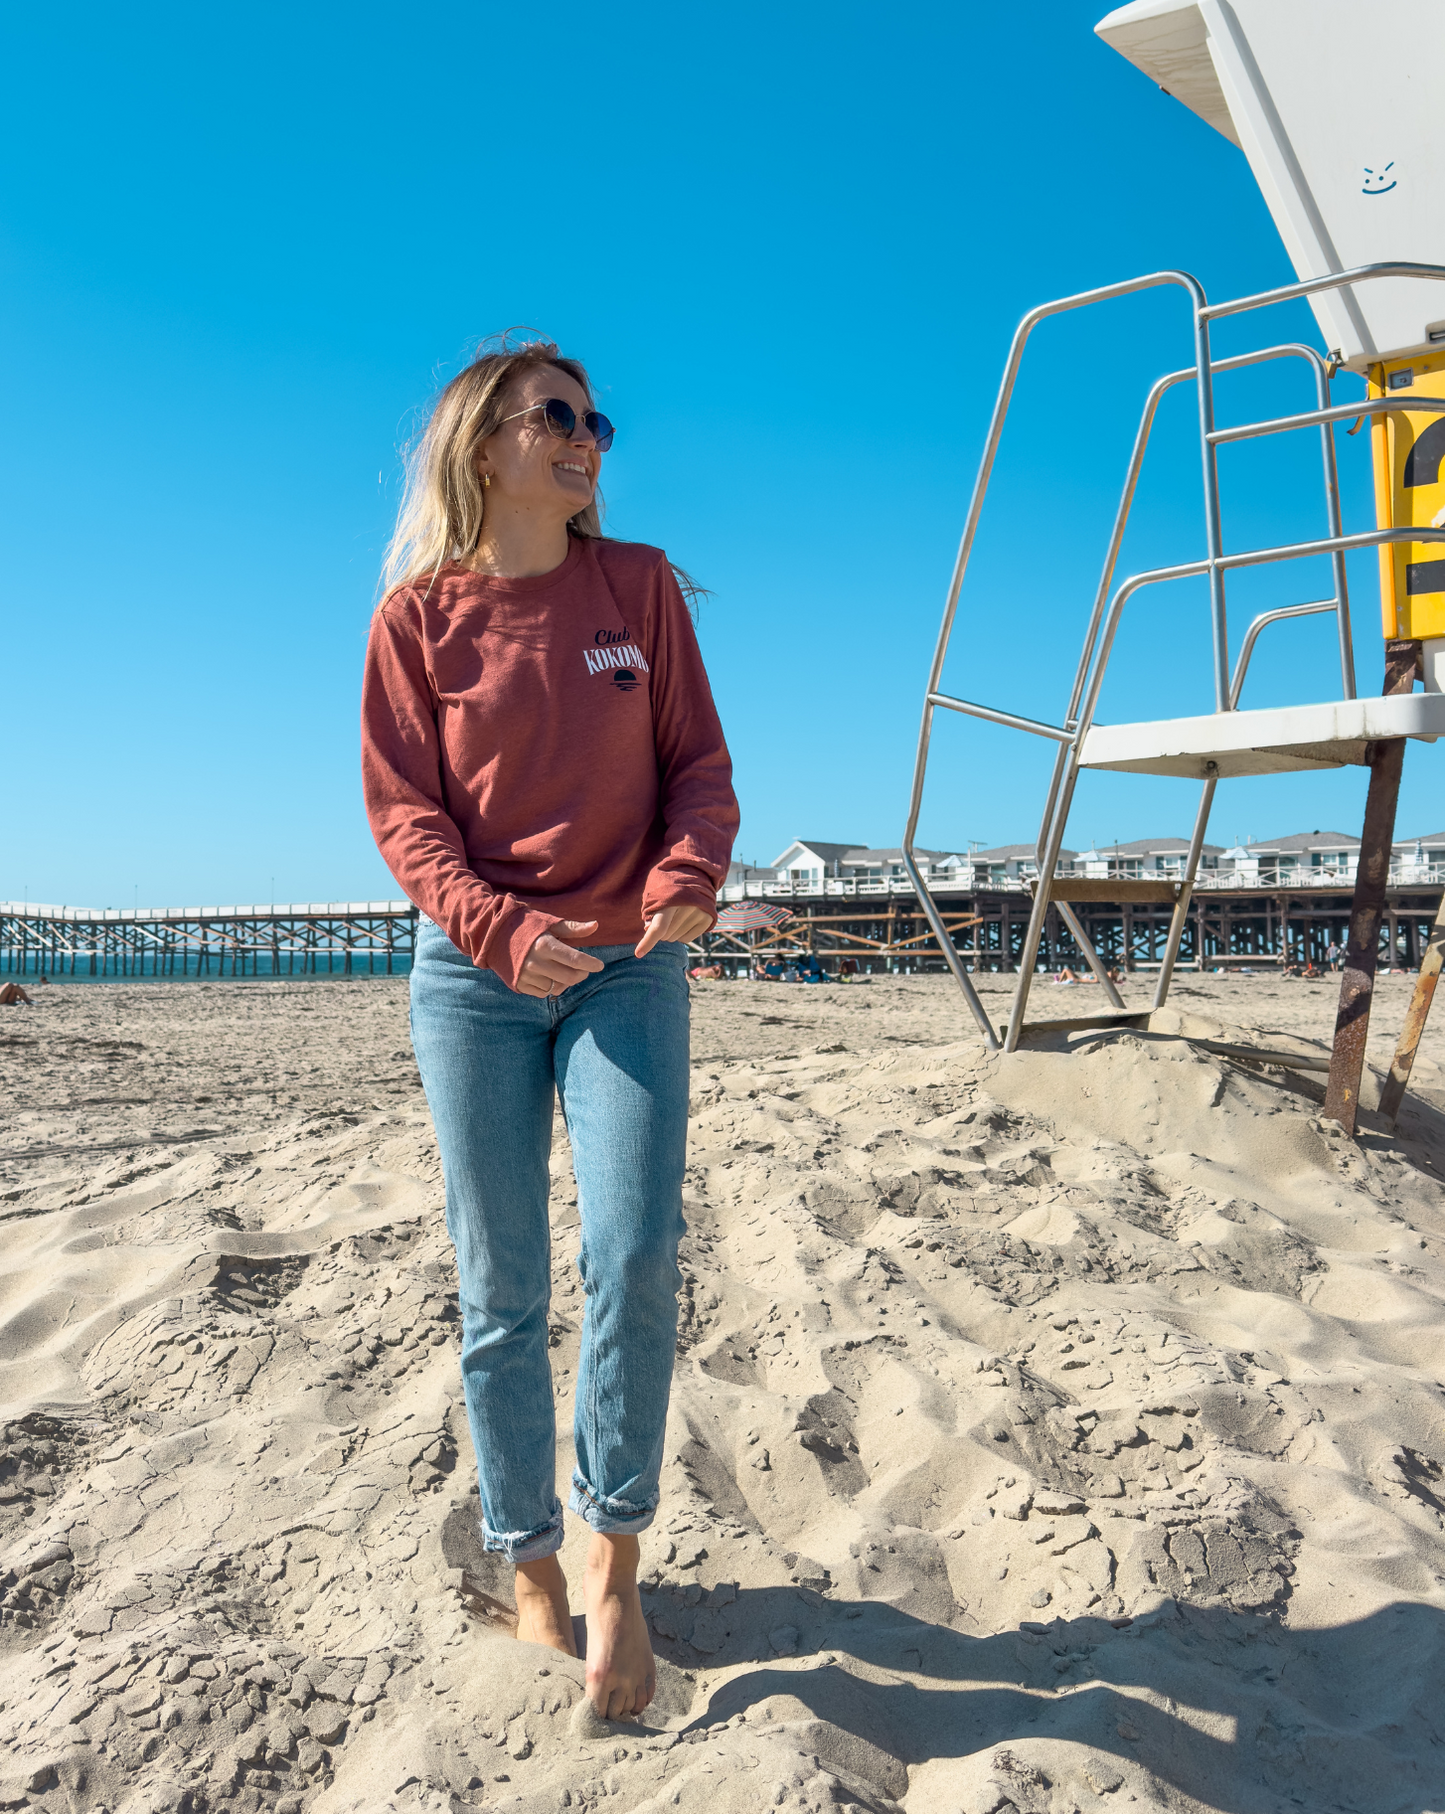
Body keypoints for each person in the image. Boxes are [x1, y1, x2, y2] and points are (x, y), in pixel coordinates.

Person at [361, 334, 738, 1720]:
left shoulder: (636, 588)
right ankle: (529, 1562)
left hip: (629, 963)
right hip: (473, 974)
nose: (589, 438)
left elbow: (698, 762)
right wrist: (500, 929)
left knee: (636, 1247)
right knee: (500, 1279)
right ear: (484, 446)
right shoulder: (416, 623)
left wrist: (688, 875)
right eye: (559, 415)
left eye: (598, 419)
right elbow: (406, 816)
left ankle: (614, 1556)